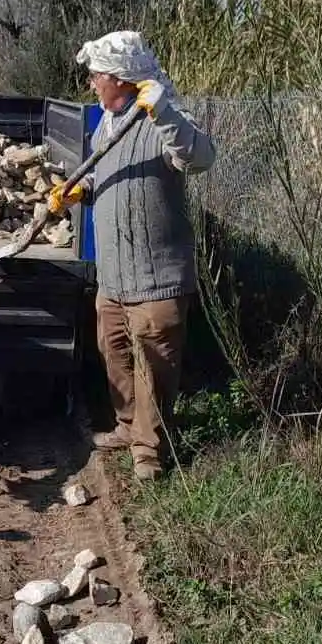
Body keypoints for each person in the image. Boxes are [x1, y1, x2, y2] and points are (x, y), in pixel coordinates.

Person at [53, 30, 216, 482]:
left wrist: (162, 110)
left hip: (156, 278)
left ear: (123, 79)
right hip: (114, 278)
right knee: (115, 356)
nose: (91, 85)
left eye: (97, 77)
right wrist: (78, 192)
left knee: (155, 369)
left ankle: (150, 449)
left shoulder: (164, 120)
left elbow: (201, 157)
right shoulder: (107, 121)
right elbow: (107, 172)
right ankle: (128, 427)